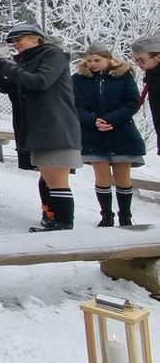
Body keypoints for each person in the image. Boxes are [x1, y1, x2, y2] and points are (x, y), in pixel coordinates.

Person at [0, 23, 82, 233]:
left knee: (57, 179)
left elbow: (40, 81)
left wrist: (7, 67)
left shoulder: (53, 55)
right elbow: (9, 87)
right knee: (48, 177)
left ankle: (63, 224)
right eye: (12, 41)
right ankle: (53, 220)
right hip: (36, 127)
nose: (15, 44)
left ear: (36, 38)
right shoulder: (25, 62)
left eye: (19, 39)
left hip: (55, 125)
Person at [72, 43, 146, 227]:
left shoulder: (123, 76)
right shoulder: (79, 79)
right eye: (89, 60)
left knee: (122, 177)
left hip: (122, 133)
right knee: (102, 176)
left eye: (97, 60)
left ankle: (125, 216)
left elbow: (132, 102)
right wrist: (92, 120)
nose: (93, 64)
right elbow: (75, 105)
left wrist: (112, 119)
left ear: (108, 59)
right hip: (93, 134)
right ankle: (106, 216)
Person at [131, 35, 160, 153]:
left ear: (158, 57)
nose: (138, 63)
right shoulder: (152, 76)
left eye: (141, 60)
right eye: (135, 60)